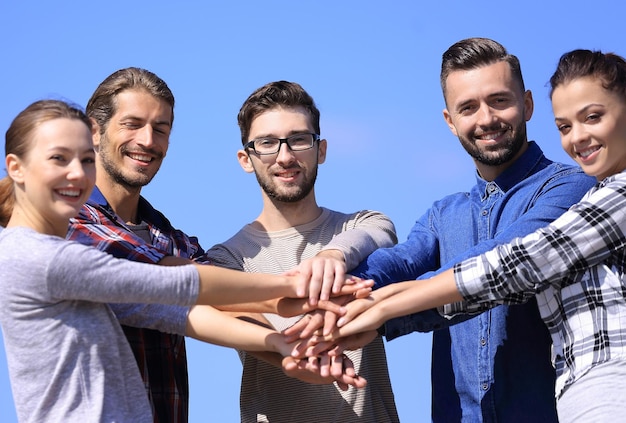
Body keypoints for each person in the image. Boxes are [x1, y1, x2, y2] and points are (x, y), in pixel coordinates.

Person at [0, 99, 365, 422]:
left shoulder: (167, 239)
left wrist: (281, 344)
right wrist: (291, 288)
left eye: (84, 161)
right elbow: (174, 284)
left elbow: (175, 311)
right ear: (16, 168)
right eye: (58, 159)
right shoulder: (44, 255)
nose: (77, 173)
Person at [333, 48, 626, 423]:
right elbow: (399, 262)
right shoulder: (443, 213)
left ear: (527, 104)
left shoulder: (575, 187)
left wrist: (383, 309)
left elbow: (510, 263)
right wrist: (335, 291)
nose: (486, 119)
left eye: (499, 101)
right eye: (468, 107)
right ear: (450, 121)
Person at [205, 81, 400, 422]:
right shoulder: (227, 260)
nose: (285, 156)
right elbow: (237, 318)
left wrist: (332, 256)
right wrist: (295, 349)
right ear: (245, 159)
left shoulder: (360, 225)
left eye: (298, 139)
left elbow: (380, 234)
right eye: (267, 143)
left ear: (320, 150)